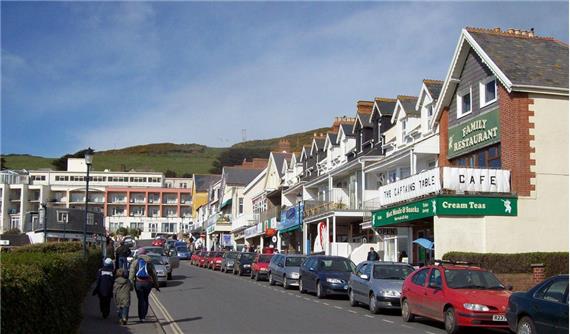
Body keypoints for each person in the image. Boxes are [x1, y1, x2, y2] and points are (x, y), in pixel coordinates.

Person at [129, 248, 160, 322]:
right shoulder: (149, 262)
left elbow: (131, 274)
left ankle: (141, 317)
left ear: (139, 254)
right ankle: (144, 315)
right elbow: (154, 274)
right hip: (147, 283)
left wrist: (130, 285)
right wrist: (156, 285)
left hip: (138, 283)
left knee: (140, 299)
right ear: (145, 253)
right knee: (146, 298)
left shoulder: (135, 262)